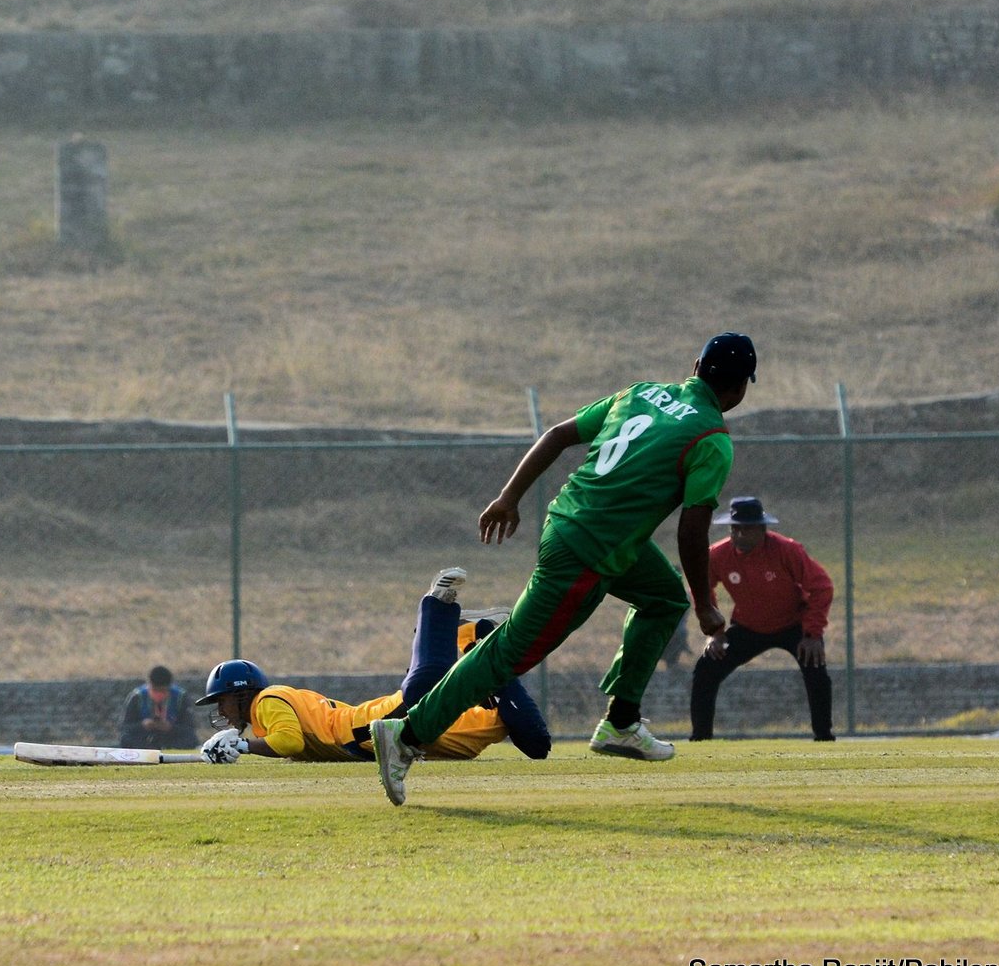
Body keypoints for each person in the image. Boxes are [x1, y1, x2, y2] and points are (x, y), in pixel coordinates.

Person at [370, 332, 757, 804]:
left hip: (574, 526)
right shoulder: (712, 439)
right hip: (587, 555)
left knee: (663, 598)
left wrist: (509, 497)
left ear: (695, 365)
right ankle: (407, 734)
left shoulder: (640, 393)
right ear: (740, 389)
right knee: (505, 655)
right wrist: (707, 606)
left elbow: (556, 435)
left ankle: (621, 721)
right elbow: (692, 531)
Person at [195, 568, 550, 765]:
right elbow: (294, 746)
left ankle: (441, 612)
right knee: (536, 745)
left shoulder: (266, 701)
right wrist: (237, 745)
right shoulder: (264, 711)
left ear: (241, 693)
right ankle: (476, 639)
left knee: (422, 687)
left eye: (221, 701)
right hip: (404, 731)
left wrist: (242, 747)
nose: (221, 711)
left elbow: (288, 741)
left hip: (361, 728)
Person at [689, 496, 836, 741]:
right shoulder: (717, 555)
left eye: (747, 528)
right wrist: (715, 632)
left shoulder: (788, 550)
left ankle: (824, 737)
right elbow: (701, 589)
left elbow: (822, 587)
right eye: (735, 528)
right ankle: (701, 740)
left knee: (815, 668)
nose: (739, 534)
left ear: (762, 529)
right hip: (748, 627)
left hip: (794, 624)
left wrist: (813, 633)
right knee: (706, 668)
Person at [117, 665, 199, 749]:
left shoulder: (180, 697)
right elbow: (124, 726)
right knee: (125, 738)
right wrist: (143, 725)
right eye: (155, 690)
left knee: (191, 739)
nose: (159, 694)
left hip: (170, 737)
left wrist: (170, 727)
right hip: (145, 737)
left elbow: (189, 728)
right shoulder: (137, 696)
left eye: (163, 691)